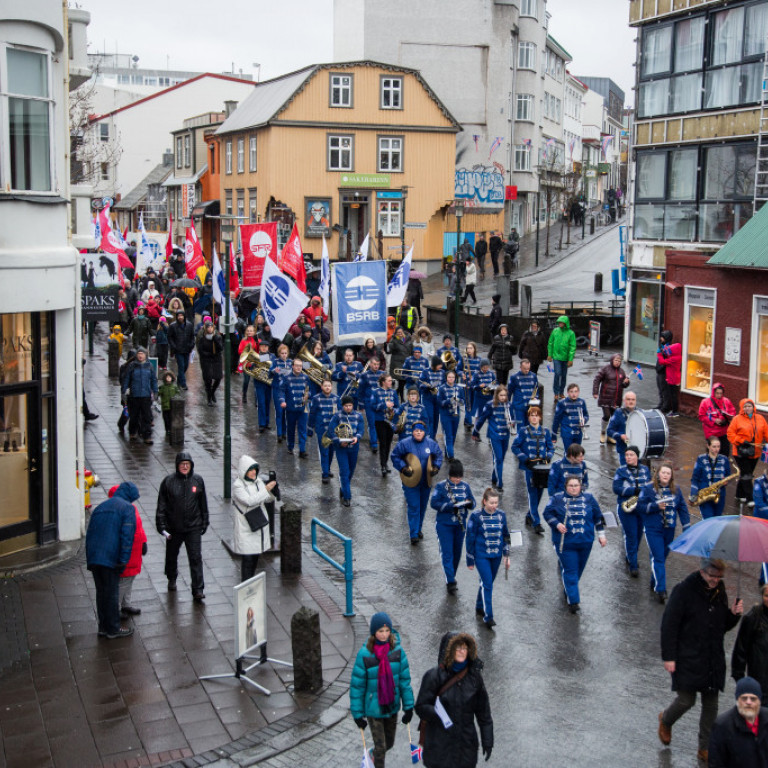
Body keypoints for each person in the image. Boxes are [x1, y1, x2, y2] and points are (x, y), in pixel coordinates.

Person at [658, 558, 743, 764]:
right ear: (702, 572)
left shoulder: (719, 590)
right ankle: (666, 719)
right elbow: (669, 625)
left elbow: (721, 625)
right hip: (688, 655)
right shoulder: (683, 590)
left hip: (712, 657)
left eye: (718, 577)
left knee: (711, 705)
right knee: (686, 700)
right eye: (712, 576)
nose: (715, 581)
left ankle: (705, 747)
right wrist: (669, 657)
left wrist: (733, 615)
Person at [415, 632, 493, 768]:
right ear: (449, 650)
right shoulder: (433, 676)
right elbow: (421, 706)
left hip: (465, 749)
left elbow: (484, 714)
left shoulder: (475, 678)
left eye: (464, 648)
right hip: (439, 748)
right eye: (457, 648)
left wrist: (488, 740)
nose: (461, 651)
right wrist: (438, 714)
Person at [350, 612, 414, 768]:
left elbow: (404, 682)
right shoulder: (364, 655)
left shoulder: (398, 652)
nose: (384, 635)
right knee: (381, 748)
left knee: (388, 744)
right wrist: (358, 714)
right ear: (374, 632)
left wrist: (409, 707)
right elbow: (357, 686)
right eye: (380, 631)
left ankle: (372, 754)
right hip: (373, 708)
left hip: (391, 706)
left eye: (387, 631)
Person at [544, 476, 607, 614]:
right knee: (570, 570)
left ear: (581, 486)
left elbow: (598, 517)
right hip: (565, 543)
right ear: (566, 486)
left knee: (578, 570)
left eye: (576, 485)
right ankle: (573, 601)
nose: (573, 488)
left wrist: (601, 535)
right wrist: (557, 524)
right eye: (571, 485)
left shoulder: (589, 498)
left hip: (585, 541)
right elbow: (547, 513)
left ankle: (569, 588)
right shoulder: (557, 499)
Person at [85, 482, 138, 639]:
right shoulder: (127, 509)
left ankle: (103, 626)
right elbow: (127, 537)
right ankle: (114, 628)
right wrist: (123, 560)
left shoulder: (100, 507)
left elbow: (90, 533)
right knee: (111, 593)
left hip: (95, 557)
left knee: (101, 593)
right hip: (110, 558)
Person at [156, 451, 209, 601]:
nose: (185, 466)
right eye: (182, 464)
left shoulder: (198, 481)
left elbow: (202, 503)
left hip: (193, 527)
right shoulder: (168, 482)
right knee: (172, 555)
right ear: (177, 465)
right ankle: (171, 576)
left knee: (195, 557)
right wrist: (161, 524)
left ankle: (198, 589)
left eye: (187, 464)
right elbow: (161, 505)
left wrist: (205, 520)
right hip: (174, 527)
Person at [638, 461, 690, 603]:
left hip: (669, 529)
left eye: (668, 473)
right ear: (658, 474)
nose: (665, 475)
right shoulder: (648, 488)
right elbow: (640, 506)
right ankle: (661, 589)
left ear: (671, 475)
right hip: (653, 529)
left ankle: (654, 579)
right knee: (658, 557)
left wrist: (686, 527)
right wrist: (655, 506)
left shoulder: (676, 490)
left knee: (662, 556)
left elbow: (683, 509)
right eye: (663, 472)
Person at [391, 420, 443, 544]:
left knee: (422, 506)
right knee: (414, 506)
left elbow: (439, 456)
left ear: (424, 432)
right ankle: (413, 533)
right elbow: (395, 456)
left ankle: (418, 528)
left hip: (426, 481)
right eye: (416, 431)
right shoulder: (405, 444)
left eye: (420, 431)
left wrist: (436, 467)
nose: (418, 433)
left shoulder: (431, 444)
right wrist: (403, 468)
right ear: (412, 432)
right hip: (410, 481)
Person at [466, 487, 511, 629]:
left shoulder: (502, 515)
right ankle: (488, 616)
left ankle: (479, 605)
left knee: (487, 582)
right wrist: (470, 559)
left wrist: (506, 556)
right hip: (481, 555)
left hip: (496, 556)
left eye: (496, 502)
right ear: (484, 501)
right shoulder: (475, 516)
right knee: (488, 584)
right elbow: (470, 538)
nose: (494, 506)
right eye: (491, 502)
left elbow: (506, 536)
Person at [430, 460, 476, 594]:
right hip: (444, 525)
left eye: (459, 477)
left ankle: (452, 575)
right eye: (455, 477)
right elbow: (434, 503)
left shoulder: (465, 486)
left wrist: (468, 504)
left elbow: (473, 502)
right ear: (450, 475)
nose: (457, 480)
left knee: (457, 554)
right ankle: (450, 581)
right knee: (447, 553)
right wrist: (450, 506)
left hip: (460, 526)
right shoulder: (441, 486)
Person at [232, 455, 277, 582]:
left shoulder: (258, 482)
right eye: (250, 470)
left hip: (258, 527)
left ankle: (249, 587)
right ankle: (245, 588)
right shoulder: (238, 486)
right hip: (246, 528)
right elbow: (250, 501)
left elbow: (266, 499)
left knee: (255, 560)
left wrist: (272, 492)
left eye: (255, 470)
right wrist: (266, 490)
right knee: (248, 560)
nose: (253, 473)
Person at [512, 405, 554, 534]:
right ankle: (536, 522)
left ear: (540, 417)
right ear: (528, 417)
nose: (534, 418)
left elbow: (551, 448)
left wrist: (548, 456)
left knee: (540, 493)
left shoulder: (546, 431)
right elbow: (515, 447)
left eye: (536, 415)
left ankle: (530, 515)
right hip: (530, 467)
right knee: (532, 494)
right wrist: (524, 458)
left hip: (542, 468)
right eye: (531, 415)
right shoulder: (523, 431)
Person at [107, 485, 147, 619]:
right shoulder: (119, 510)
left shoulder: (130, 508)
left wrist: (144, 541)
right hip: (127, 551)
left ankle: (125, 604)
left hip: (134, 550)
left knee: (129, 579)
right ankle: (115, 608)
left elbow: (139, 527)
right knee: (124, 581)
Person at [709, 677, 768, 767]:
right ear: (737, 700)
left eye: (753, 699)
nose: (748, 702)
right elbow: (716, 762)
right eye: (744, 698)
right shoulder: (722, 726)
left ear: (759, 701)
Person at [613, 446, 651, 578]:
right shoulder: (621, 471)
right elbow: (616, 488)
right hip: (626, 507)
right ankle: (633, 564)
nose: (628, 457)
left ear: (637, 456)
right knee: (631, 535)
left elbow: (649, 486)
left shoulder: (645, 470)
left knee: (639, 535)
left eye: (631, 455)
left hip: (641, 508)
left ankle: (631, 555)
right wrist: (632, 491)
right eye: (627, 454)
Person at [472, 386, 513, 494]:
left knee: (501, 458)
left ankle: (494, 477)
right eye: (501, 395)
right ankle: (500, 483)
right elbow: (482, 419)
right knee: (498, 458)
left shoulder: (509, 405)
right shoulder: (490, 405)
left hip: (506, 435)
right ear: (496, 395)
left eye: (505, 395)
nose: (503, 397)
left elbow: (513, 419)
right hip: (494, 436)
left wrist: (513, 423)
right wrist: (475, 431)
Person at [728, 399, 768, 507]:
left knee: (747, 473)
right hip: (740, 452)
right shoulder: (737, 419)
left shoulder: (760, 418)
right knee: (747, 474)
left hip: (755, 452)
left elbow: (766, 432)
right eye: (745, 407)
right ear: (742, 408)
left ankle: (739, 494)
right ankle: (750, 498)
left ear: (753, 407)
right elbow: (730, 434)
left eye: (749, 406)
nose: (747, 408)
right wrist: (741, 441)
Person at [732, 587, 768, 705]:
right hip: (758, 684)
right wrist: (740, 680)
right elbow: (740, 650)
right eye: (767, 596)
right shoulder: (753, 617)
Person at [328, 395, 364, 507]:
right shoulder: (337, 416)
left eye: (350, 405)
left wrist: (357, 437)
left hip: (353, 448)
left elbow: (361, 429)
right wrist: (339, 441)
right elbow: (331, 431)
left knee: (351, 471)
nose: (348, 408)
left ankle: (343, 488)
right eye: (346, 406)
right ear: (342, 406)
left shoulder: (358, 416)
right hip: (341, 448)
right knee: (344, 471)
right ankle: (347, 497)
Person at [121, 347, 158, 445]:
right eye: (139, 353)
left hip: (145, 395)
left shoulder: (149, 366)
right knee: (134, 415)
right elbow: (127, 379)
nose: (140, 355)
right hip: (134, 395)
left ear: (145, 355)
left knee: (146, 416)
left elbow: (153, 380)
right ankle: (133, 432)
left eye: (142, 353)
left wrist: (155, 391)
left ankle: (147, 436)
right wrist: (124, 391)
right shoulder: (132, 366)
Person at [308, 377, 341, 484]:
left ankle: (328, 468)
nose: (327, 387)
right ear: (321, 387)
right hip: (321, 430)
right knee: (324, 452)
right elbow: (312, 414)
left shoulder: (336, 398)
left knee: (332, 451)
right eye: (325, 385)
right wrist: (310, 428)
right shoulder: (316, 398)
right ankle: (325, 474)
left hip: (333, 431)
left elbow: (340, 415)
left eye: (329, 385)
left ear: (331, 387)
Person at [690, 437, 733, 519]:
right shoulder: (701, 459)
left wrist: (727, 481)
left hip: (719, 496)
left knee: (717, 520)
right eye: (714, 446)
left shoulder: (724, 459)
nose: (717, 449)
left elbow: (728, 475)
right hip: (705, 495)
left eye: (718, 446)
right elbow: (695, 478)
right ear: (708, 446)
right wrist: (693, 493)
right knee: (708, 519)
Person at [593, 353, 630, 443]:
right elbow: (597, 379)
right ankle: (603, 432)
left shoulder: (621, 372)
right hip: (605, 397)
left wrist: (626, 382)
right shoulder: (605, 369)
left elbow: (623, 385)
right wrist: (595, 392)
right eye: (616, 360)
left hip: (616, 399)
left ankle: (610, 435)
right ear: (612, 360)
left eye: (619, 361)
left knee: (614, 418)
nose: (617, 362)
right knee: (607, 415)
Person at [280, 358, 312, 458]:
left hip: (303, 408)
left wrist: (308, 395)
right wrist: (282, 401)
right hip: (291, 408)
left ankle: (302, 450)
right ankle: (290, 447)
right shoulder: (286, 377)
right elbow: (281, 391)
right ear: (293, 366)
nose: (298, 367)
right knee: (291, 428)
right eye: (297, 365)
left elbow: (309, 390)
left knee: (303, 429)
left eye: (300, 366)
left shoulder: (306, 377)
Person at [370, 372, 399, 476]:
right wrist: (384, 405)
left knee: (388, 443)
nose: (391, 382)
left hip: (390, 421)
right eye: (389, 381)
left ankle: (385, 463)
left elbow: (397, 406)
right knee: (382, 443)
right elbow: (373, 406)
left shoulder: (393, 392)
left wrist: (394, 410)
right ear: (383, 382)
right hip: (380, 420)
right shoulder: (376, 392)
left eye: (391, 380)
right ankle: (382, 465)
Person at [699, 383, 737, 456]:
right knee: (713, 453)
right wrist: (714, 420)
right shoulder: (705, 402)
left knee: (725, 453)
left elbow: (732, 412)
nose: (719, 395)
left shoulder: (726, 401)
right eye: (717, 393)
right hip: (711, 433)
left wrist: (730, 418)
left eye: (721, 393)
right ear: (713, 392)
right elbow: (701, 416)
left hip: (724, 431)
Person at [547, 315, 577, 401]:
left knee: (563, 376)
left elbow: (572, 347)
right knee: (557, 373)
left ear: (565, 323)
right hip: (556, 357)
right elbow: (550, 343)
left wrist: (570, 359)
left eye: (561, 322)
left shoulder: (571, 333)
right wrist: (550, 354)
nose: (560, 324)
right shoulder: (555, 331)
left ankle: (561, 392)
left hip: (565, 358)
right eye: (559, 322)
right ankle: (556, 393)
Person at [552, 382, 589, 449]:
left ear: (578, 392)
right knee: (569, 452)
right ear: (568, 393)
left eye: (575, 391)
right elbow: (556, 419)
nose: (574, 394)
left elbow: (586, 415)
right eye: (571, 392)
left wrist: (584, 419)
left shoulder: (582, 402)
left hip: (578, 432)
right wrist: (554, 434)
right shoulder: (562, 403)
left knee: (577, 452)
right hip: (566, 432)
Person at [358, 356, 384, 451]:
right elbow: (361, 390)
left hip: (380, 402)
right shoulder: (365, 375)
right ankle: (374, 444)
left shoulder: (383, 374)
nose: (376, 366)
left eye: (377, 364)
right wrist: (361, 404)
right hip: (369, 402)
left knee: (380, 423)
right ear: (370, 364)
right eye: (374, 364)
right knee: (372, 423)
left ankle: (378, 439)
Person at [437, 369, 464, 460]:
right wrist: (450, 400)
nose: (451, 379)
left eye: (453, 377)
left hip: (455, 415)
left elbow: (463, 402)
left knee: (453, 435)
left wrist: (458, 401)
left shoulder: (459, 388)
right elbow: (440, 403)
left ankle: (447, 452)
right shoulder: (441, 388)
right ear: (446, 378)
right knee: (448, 435)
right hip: (445, 415)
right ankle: (451, 456)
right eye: (449, 377)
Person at [196, 320, 223, 406]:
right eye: (208, 327)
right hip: (207, 360)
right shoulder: (202, 339)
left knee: (218, 378)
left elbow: (221, 348)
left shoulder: (217, 337)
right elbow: (200, 350)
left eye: (211, 327)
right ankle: (209, 398)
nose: (210, 329)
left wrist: (216, 341)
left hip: (216, 360)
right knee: (208, 379)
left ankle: (212, 392)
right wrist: (206, 354)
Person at [607, 390, 638, 465]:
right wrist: (620, 436)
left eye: (633, 399)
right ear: (624, 401)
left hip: (638, 450)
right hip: (624, 449)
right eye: (628, 399)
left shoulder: (640, 413)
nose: (631, 402)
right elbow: (609, 430)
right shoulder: (618, 413)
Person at [269, 344, 292, 443]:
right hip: (277, 389)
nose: (284, 355)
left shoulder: (291, 362)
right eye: (282, 353)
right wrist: (274, 371)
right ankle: (279, 433)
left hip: (288, 390)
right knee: (279, 411)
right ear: (279, 354)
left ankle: (284, 432)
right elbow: (269, 374)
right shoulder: (275, 362)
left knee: (286, 412)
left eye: (285, 353)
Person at [507, 358, 539, 430]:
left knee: (530, 428)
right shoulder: (514, 377)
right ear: (520, 367)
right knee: (521, 428)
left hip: (530, 407)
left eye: (528, 368)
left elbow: (536, 389)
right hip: (519, 406)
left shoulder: (533, 376)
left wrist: (536, 397)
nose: (527, 370)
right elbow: (509, 392)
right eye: (525, 368)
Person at [167, 310, 195, 390]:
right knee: (181, 366)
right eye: (178, 316)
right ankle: (183, 384)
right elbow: (169, 337)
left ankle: (179, 380)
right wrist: (173, 346)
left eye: (181, 316)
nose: (180, 317)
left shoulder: (189, 325)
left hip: (187, 349)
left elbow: (192, 336)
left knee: (185, 366)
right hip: (178, 350)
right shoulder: (173, 326)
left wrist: (191, 345)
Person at [657, 330, 683, 417]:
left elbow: (662, 361)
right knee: (673, 394)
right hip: (674, 377)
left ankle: (674, 411)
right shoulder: (677, 356)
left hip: (672, 378)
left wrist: (659, 353)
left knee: (673, 395)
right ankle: (673, 410)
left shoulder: (673, 359)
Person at [419, 355, 444, 440]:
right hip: (428, 398)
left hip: (438, 399)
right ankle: (429, 437)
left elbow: (445, 384)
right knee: (430, 417)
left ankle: (433, 436)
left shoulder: (442, 372)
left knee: (436, 418)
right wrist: (428, 386)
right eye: (439, 365)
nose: (440, 366)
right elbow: (420, 384)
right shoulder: (425, 372)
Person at [253, 339, 274, 433]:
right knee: (261, 403)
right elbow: (251, 368)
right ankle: (261, 424)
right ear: (260, 347)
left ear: (268, 348)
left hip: (268, 382)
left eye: (265, 346)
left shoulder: (272, 356)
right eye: (262, 346)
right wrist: (253, 364)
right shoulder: (256, 356)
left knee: (267, 402)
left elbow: (274, 367)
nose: (264, 348)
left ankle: (267, 421)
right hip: (259, 382)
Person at [469, 358, 496, 428]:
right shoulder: (476, 374)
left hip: (489, 398)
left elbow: (496, 383)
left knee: (491, 415)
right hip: (479, 398)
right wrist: (479, 386)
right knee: (478, 415)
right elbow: (472, 386)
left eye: (487, 367)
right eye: (484, 367)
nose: (485, 369)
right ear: (481, 367)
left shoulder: (491, 374)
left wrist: (493, 387)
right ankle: (475, 431)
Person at [387, 326, 412, 400]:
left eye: (401, 332)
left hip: (406, 363)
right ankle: (401, 398)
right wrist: (393, 340)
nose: (400, 334)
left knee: (403, 382)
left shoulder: (408, 339)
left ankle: (396, 396)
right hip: (397, 364)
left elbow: (411, 350)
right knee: (401, 381)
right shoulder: (394, 340)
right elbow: (389, 350)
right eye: (398, 333)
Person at [238, 325, 260, 404]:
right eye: (248, 331)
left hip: (254, 363)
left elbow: (258, 351)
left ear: (254, 332)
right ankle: (244, 394)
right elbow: (240, 351)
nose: (249, 332)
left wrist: (257, 343)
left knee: (255, 382)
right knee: (246, 381)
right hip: (246, 363)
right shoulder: (243, 341)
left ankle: (256, 399)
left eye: (251, 331)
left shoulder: (257, 340)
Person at [462, 342, 481, 429]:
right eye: (467, 348)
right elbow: (458, 369)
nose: (469, 350)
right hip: (466, 384)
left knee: (473, 403)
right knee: (468, 402)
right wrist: (462, 374)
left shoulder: (479, 359)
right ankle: (469, 421)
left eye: (471, 348)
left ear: (474, 349)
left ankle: (466, 419)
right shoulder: (464, 359)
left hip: (475, 385)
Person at [158, 370, 180, 436]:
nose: (168, 379)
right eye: (167, 377)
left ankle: (170, 429)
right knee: (166, 419)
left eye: (169, 377)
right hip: (165, 406)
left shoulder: (174, 387)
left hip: (172, 406)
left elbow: (178, 394)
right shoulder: (162, 387)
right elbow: (158, 393)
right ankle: (167, 429)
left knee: (171, 419)